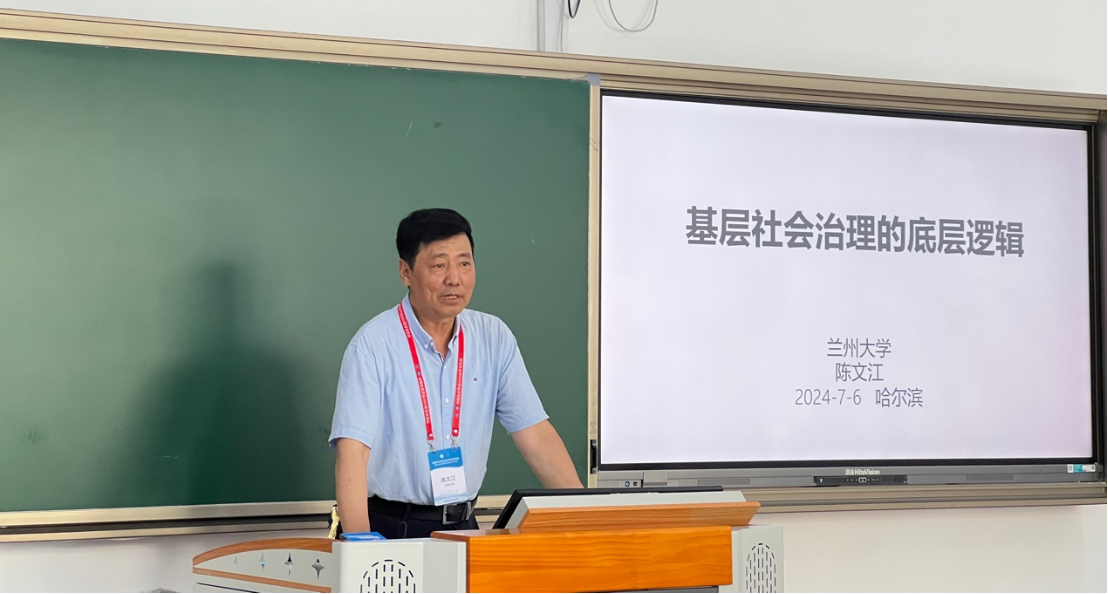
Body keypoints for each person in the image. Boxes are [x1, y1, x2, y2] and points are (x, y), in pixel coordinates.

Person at [328, 208, 582, 539]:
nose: (454, 278)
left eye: (464, 263)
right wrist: (362, 546)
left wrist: (585, 513)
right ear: (405, 271)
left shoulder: (493, 337)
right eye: (439, 265)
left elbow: (534, 434)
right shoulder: (373, 344)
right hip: (392, 527)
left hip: (465, 526)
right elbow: (353, 453)